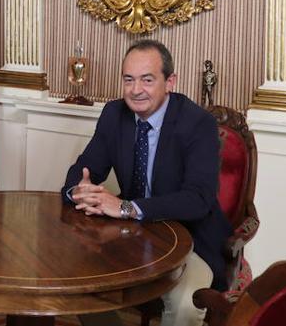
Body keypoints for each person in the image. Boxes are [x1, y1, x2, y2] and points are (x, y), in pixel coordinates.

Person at [61, 39, 232, 326]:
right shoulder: (115, 114)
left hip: (190, 240)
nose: (136, 90)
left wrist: (127, 207)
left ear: (170, 82)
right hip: (129, 236)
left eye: (147, 80)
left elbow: (198, 199)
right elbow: (83, 169)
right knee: (75, 278)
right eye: (129, 79)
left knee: (187, 304)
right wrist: (79, 190)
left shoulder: (197, 123)